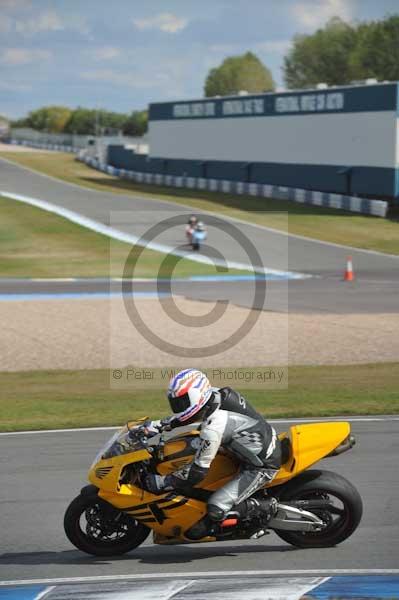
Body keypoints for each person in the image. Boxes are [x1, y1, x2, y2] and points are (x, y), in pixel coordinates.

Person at [143, 369, 282, 539]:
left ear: (197, 396)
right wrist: (158, 425)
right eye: (176, 403)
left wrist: (163, 482)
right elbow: (190, 415)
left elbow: (196, 473)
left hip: (260, 466)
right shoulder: (214, 395)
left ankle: (265, 508)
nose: (179, 407)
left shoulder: (214, 427)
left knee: (215, 508)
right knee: (191, 445)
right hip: (244, 448)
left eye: (182, 402)